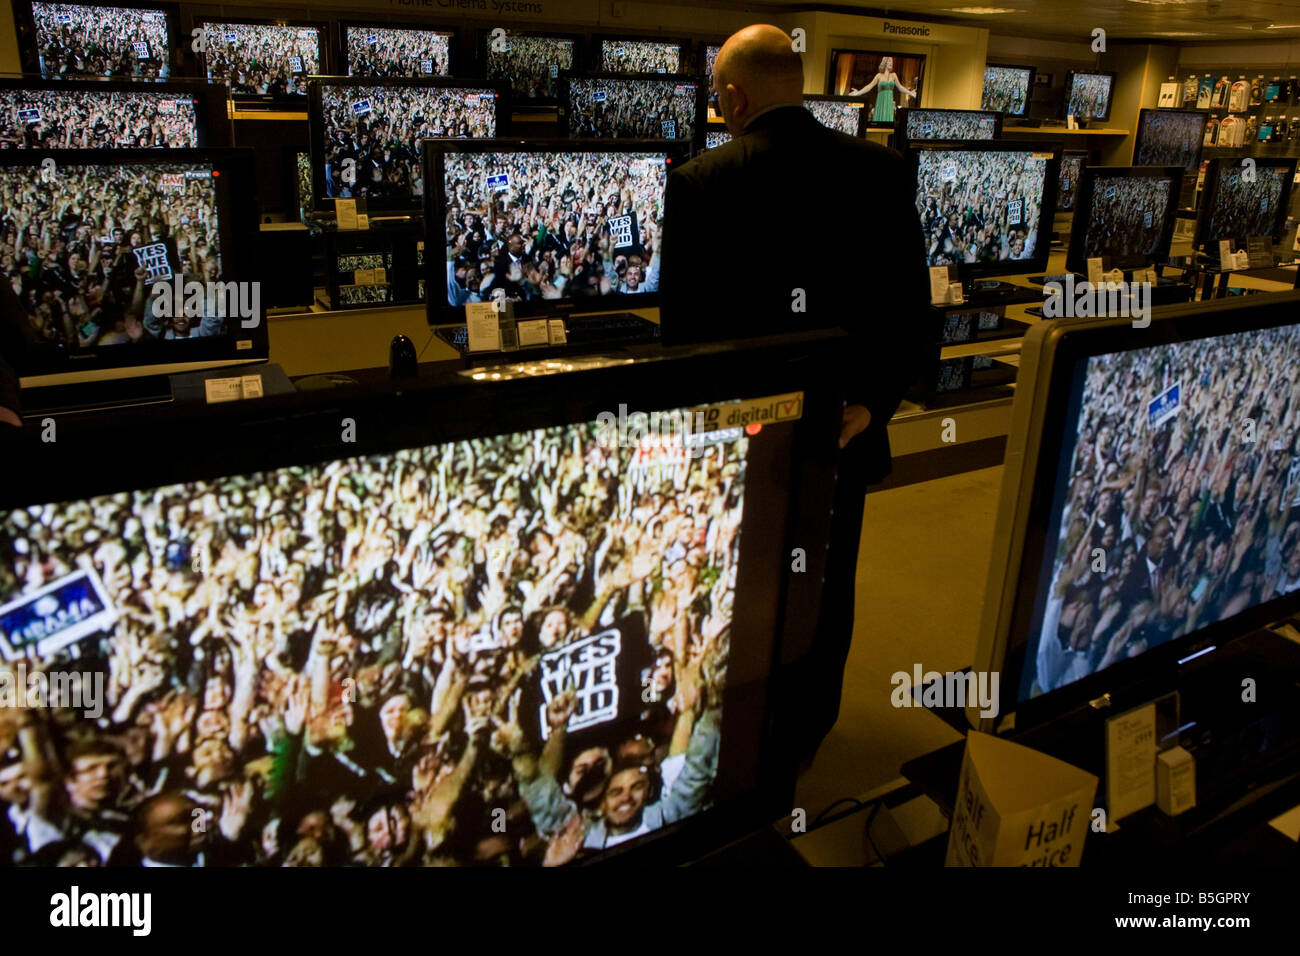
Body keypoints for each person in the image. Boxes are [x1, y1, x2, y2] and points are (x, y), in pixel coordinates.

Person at [659, 24, 931, 769]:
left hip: (743, 447)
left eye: (719, 98)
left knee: (738, 590)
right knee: (825, 582)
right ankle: (808, 731)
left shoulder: (699, 183)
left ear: (736, 96)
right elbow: (910, 313)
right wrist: (870, 405)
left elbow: (682, 345)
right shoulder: (881, 172)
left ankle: (741, 737)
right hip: (839, 437)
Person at [849, 56, 916, 124]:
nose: (891, 63)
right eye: (889, 60)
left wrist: (911, 93)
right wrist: (857, 93)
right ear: (885, 62)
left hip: (889, 104)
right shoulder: (879, 76)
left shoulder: (894, 75)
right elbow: (869, 86)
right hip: (880, 103)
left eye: (892, 61)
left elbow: (900, 87)